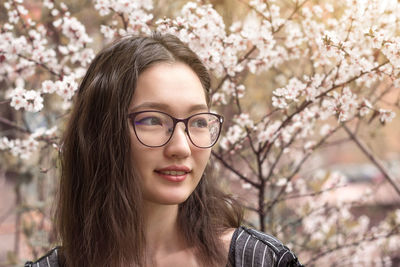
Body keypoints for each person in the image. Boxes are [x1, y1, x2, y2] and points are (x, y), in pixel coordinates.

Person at [25, 33, 303, 267]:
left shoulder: (259, 260)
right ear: (100, 133)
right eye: (152, 120)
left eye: (198, 122)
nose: (181, 148)